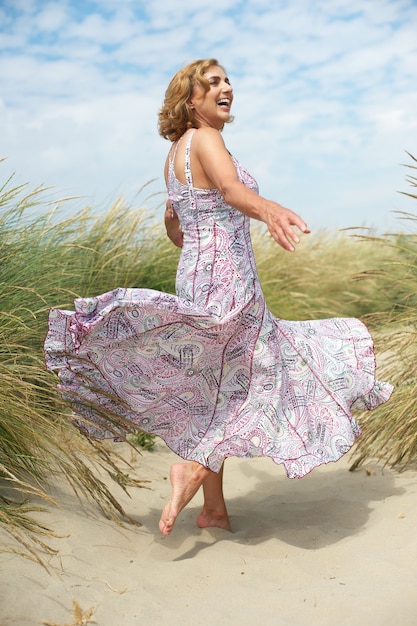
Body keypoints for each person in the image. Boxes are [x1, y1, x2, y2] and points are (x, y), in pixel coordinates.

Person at [44, 59, 393, 537]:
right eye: (214, 83)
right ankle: (192, 465)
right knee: (252, 374)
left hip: (197, 272)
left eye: (228, 80)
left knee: (217, 383)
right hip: (229, 276)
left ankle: (213, 509)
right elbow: (230, 191)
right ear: (192, 99)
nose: (227, 88)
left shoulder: (175, 154)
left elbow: (177, 231)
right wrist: (270, 209)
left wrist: (219, 228)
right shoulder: (207, 140)